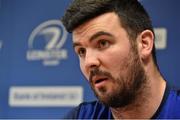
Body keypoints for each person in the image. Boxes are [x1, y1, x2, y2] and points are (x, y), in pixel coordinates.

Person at [61, 0, 180, 119]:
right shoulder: (80, 117)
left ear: (144, 43)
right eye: (81, 51)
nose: (89, 62)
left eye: (103, 43)